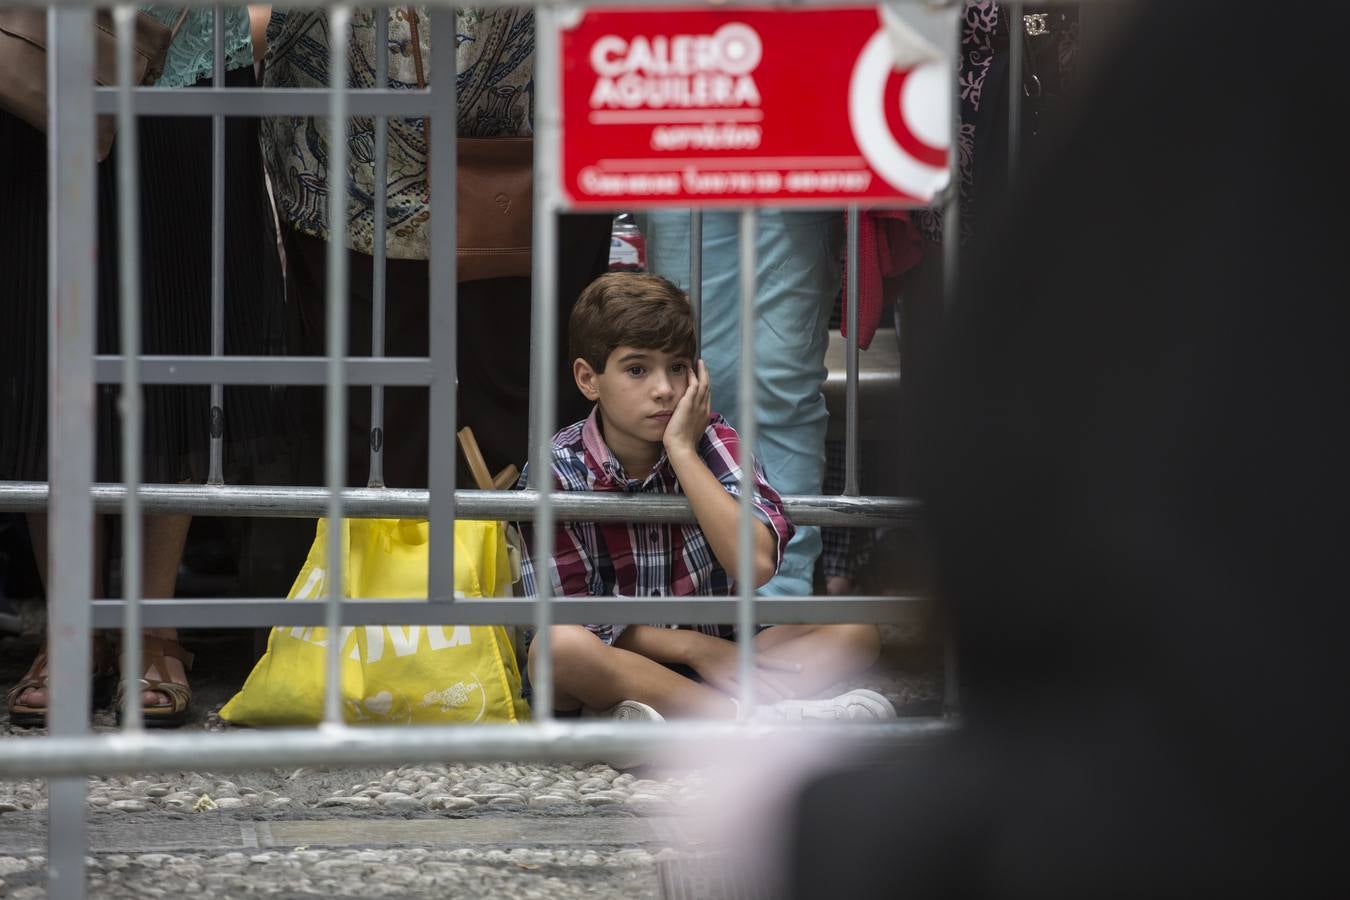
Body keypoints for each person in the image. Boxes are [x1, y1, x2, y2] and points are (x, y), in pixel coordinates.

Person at [1, 5, 284, 727]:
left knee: (180, 328)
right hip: (38, 48)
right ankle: (71, 626)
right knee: (48, 335)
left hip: (188, 51)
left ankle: (153, 628)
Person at [260, 7, 612, 489]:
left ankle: (513, 553)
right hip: (359, 171)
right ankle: (403, 552)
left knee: (499, 402)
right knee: (382, 414)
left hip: (527, 156)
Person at [519, 273, 893, 721]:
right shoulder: (556, 467)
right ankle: (757, 720)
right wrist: (697, 649)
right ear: (588, 379)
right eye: (637, 369)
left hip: (723, 658)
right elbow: (571, 613)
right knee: (557, 647)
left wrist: (682, 452)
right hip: (618, 660)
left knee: (854, 629)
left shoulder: (714, 443)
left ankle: (665, 719)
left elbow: (754, 565)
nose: (664, 389)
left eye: (677, 367)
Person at [639, 211, 843, 601]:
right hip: (685, 163)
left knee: (784, 387)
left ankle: (781, 597)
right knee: (694, 380)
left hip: (795, 165)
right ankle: (704, 592)